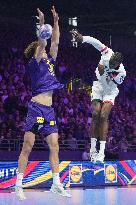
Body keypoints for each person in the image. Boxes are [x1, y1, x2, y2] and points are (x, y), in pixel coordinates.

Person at [15, 7, 70, 200]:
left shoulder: (50, 63)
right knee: (28, 146)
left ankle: (56, 183)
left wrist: (55, 22)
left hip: (49, 111)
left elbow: (54, 41)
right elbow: (43, 42)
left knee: (54, 146)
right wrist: (41, 22)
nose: (46, 50)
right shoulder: (35, 62)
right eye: (43, 49)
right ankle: (18, 185)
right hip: (36, 108)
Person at [71, 30, 126, 162]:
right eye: (110, 62)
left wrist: (103, 73)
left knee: (103, 116)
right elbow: (95, 42)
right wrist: (82, 38)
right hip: (98, 87)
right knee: (95, 114)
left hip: (110, 91)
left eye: (112, 65)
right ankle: (93, 149)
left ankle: (101, 152)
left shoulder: (121, 73)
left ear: (117, 65)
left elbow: (110, 82)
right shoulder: (107, 53)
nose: (110, 65)